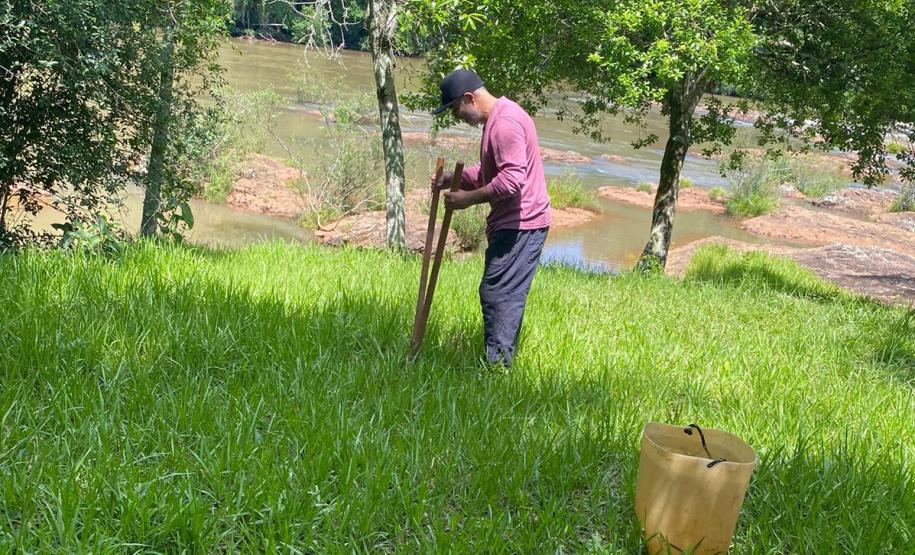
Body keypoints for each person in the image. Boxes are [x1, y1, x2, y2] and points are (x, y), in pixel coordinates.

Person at [430, 69, 551, 368]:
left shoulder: (505, 123)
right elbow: (489, 174)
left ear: (469, 98)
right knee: (499, 291)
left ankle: (496, 368)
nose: (457, 117)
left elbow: (512, 181)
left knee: (499, 293)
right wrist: (452, 179)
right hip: (513, 222)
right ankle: (498, 361)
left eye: (456, 109)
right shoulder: (497, 120)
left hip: (522, 224)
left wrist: (468, 200)